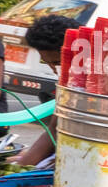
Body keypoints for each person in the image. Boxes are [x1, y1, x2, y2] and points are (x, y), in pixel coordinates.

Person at [13, 14, 73, 167]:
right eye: (48, 63)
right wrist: (21, 170)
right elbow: (54, 128)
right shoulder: (65, 82)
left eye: (57, 62)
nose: (54, 69)